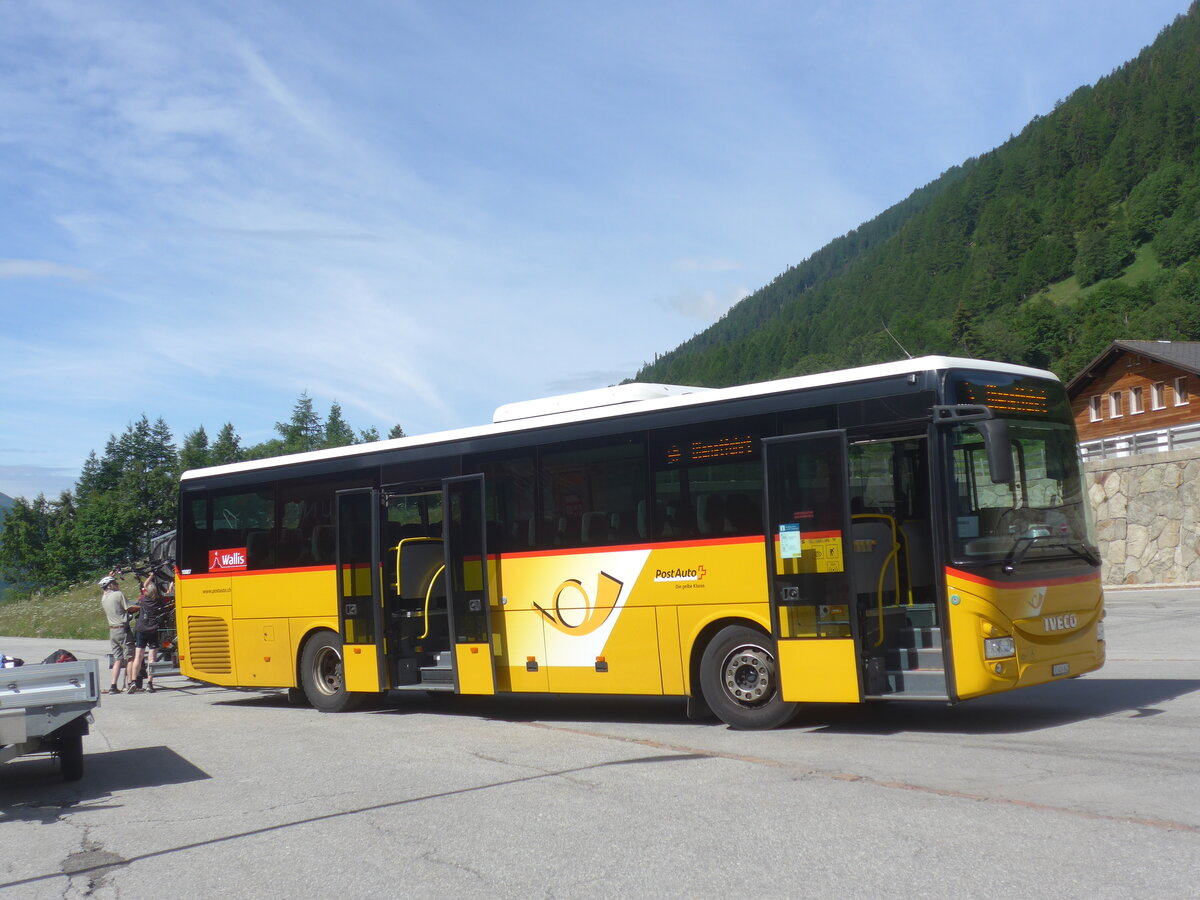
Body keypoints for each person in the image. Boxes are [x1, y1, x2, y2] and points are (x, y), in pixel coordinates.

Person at [99, 574, 134, 694]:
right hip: (123, 630)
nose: (118, 585)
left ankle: (113, 686)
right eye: (115, 583)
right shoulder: (118, 594)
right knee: (130, 657)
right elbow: (129, 608)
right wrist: (142, 606)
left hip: (112, 631)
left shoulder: (104, 598)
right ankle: (130, 683)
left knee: (118, 659)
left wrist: (110, 575)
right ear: (110, 586)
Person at [130, 574, 164, 693]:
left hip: (141, 630)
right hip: (153, 630)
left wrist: (151, 576)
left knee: (138, 657)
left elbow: (144, 585)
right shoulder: (158, 601)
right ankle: (150, 683)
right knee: (152, 658)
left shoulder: (143, 599)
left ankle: (133, 681)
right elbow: (168, 592)